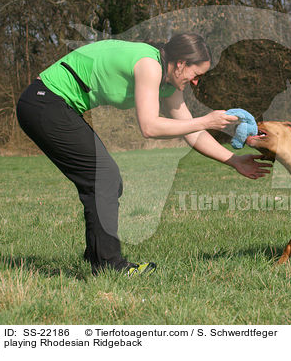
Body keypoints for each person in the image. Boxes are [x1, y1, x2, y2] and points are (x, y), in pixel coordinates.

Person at [16, 33, 271, 276]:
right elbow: (150, 127)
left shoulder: (169, 85)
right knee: (104, 177)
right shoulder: (149, 65)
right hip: (44, 102)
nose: (197, 82)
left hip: (57, 105)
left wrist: (234, 160)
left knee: (105, 180)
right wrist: (206, 120)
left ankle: (98, 255)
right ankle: (109, 265)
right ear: (181, 64)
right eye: (196, 74)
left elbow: (192, 133)